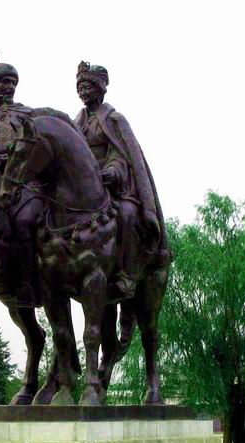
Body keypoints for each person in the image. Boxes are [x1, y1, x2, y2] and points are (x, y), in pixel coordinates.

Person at [74, 61, 166, 299]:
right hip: (84, 188)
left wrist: (113, 170)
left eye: (88, 86)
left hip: (115, 187)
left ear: (100, 89)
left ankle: (127, 273)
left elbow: (123, 154)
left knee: (126, 214)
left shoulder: (114, 120)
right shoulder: (77, 122)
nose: (83, 91)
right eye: (80, 87)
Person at [0, 51, 42, 306]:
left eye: (12, 83)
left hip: (25, 183)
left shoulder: (26, 113)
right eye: (3, 82)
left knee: (25, 220)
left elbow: (38, 148)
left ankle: (30, 278)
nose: (9, 87)